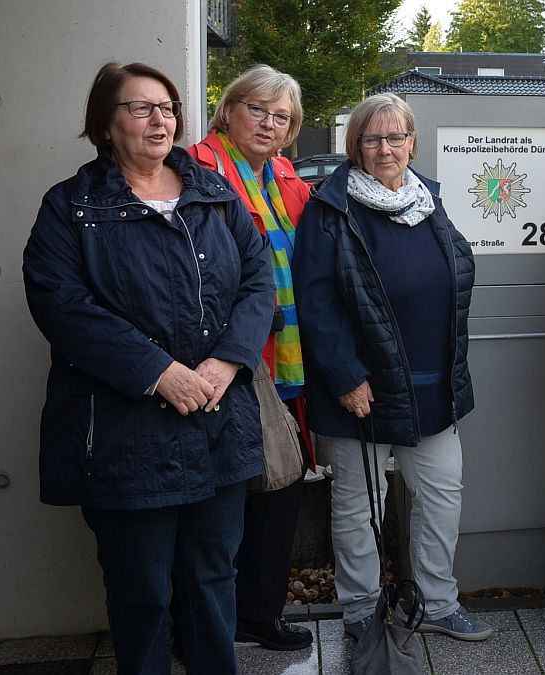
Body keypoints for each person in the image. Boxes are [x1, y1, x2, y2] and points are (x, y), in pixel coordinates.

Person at [22, 62, 274, 672]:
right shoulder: (71, 208)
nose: (160, 119)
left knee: (214, 579)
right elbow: (60, 304)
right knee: (140, 590)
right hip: (125, 434)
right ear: (106, 125)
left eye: (167, 106)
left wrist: (226, 363)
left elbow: (258, 281)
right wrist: (159, 372)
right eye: (141, 108)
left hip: (217, 421)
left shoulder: (213, 196)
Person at [292, 93, 491, 643]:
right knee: (359, 506)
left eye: (396, 137)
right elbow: (316, 302)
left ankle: (437, 602)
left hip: (433, 384)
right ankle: (359, 610)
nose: (386, 148)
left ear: (412, 142)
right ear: (354, 147)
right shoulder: (329, 210)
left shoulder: (432, 200)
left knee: (441, 496)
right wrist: (345, 378)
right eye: (373, 139)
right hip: (363, 390)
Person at [187, 64, 313, 651]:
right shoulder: (194, 168)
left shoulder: (288, 178)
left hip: (285, 360)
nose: (268, 123)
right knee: (219, 499)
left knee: (283, 485)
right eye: (257, 109)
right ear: (228, 110)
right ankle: (201, 625)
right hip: (225, 360)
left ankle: (260, 612)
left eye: (281, 116)